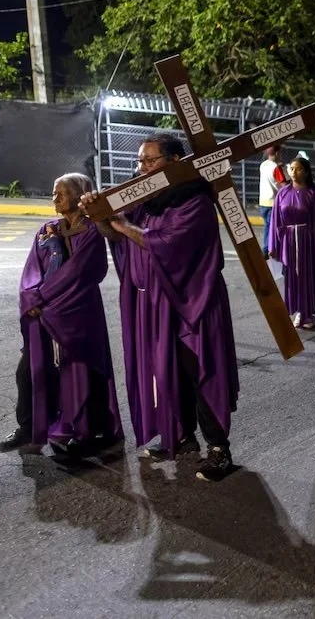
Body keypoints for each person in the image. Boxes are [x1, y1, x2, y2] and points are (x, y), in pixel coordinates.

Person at [80, 134, 240, 481]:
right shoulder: (145, 199)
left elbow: (167, 244)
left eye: (151, 161)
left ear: (175, 162)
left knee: (199, 374)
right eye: (140, 161)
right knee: (167, 371)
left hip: (190, 306)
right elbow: (114, 233)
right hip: (153, 304)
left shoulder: (194, 202)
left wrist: (120, 223)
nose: (143, 168)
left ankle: (219, 449)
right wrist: (98, 214)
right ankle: (181, 437)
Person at [0, 173, 123, 457]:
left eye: (61, 193)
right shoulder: (47, 229)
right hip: (44, 315)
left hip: (78, 314)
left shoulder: (91, 232)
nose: (55, 199)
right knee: (29, 371)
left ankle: (92, 431)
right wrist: (30, 297)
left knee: (84, 372)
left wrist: (41, 298)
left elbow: (78, 274)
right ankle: (28, 427)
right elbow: (31, 270)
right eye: (54, 193)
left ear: (80, 196)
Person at [269, 156, 315, 330]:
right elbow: (275, 220)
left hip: (308, 241)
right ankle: (296, 309)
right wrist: (274, 245)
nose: (294, 172)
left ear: (307, 172)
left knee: (307, 277)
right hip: (288, 241)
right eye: (292, 168)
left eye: (299, 169)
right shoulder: (282, 193)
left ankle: (307, 312)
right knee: (292, 277)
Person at [258, 143, 286, 258]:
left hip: (263, 202)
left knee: (267, 227)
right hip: (273, 203)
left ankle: (266, 249)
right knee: (273, 228)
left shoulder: (263, 165)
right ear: (277, 153)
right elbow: (283, 185)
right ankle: (269, 250)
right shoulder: (276, 168)